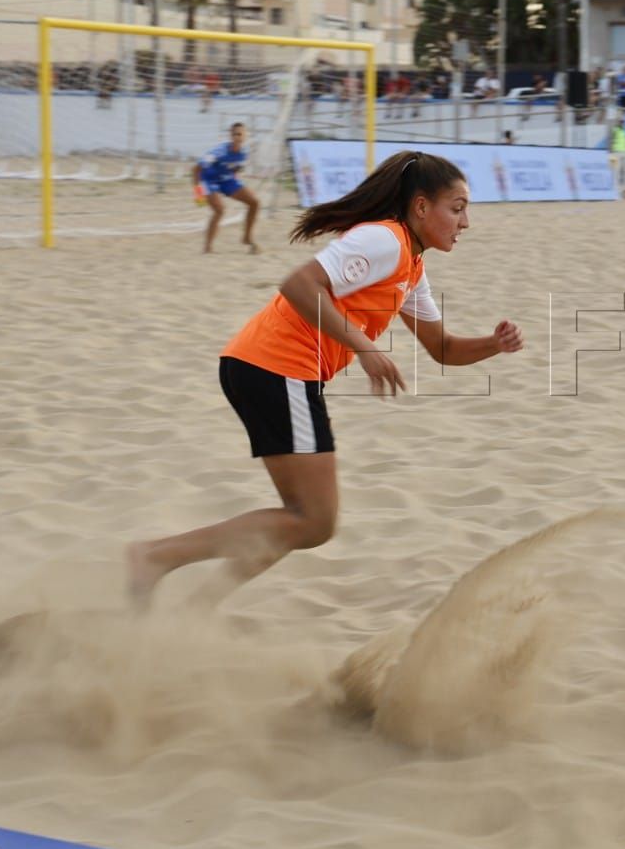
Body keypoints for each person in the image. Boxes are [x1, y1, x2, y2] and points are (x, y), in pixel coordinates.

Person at [127, 151, 525, 606]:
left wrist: (494, 344)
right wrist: (365, 346)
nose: (466, 221)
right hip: (275, 366)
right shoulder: (386, 240)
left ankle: (194, 601)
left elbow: (443, 349)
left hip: (268, 369)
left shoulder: (411, 268)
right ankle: (155, 558)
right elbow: (298, 284)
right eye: (457, 208)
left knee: (303, 521)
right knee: (312, 522)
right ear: (420, 207)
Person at [195, 122, 262, 255]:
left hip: (227, 180)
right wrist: (198, 194)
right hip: (210, 180)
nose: (238, 137)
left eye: (241, 134)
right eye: (235, 134)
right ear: (231, 136)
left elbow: (235, 168)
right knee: (220, 210)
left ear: (245, 136)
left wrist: (236, 181)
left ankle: (246, 238)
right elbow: (196, 169)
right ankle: (207, 248)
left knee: (255, 202)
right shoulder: (219, 151)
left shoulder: (244, 152)